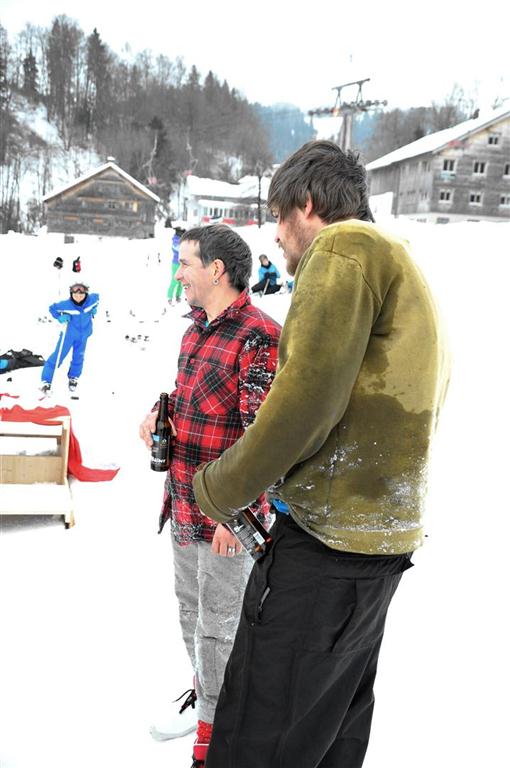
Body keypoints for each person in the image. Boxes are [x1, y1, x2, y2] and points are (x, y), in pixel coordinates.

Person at [192, 141, 449, 768]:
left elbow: (304, 402)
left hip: (324, 549)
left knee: (260, 733)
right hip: (376, 547)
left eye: (279, 217)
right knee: (327, 733)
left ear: (306, 204)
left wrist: (218, 488)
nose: (277, 237)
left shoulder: (342, 248)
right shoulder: (401, 262)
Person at [138, 224, 281, 768]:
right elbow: (191, 396)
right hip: (182, 499)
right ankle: (208, 700)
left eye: (186, 263)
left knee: (221, 627)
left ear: (216, 269)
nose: (179, 273)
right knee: (191, 613)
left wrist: (238, 514)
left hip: (226, 516)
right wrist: (159, 414)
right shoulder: (195, 329)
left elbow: (265, 437)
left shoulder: (259, 336)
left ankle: (216, 736)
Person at [40, 281, 99, 394]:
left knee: (78, 357)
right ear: (71, 294)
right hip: (68, 335)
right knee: (58, 356)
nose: (78, 297)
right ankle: (46, 381)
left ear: (86, 294)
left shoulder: (91, 300)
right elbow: (52, 308)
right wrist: (60, 317)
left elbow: (97, 298)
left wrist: (94, 309)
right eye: (75, 294)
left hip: (83, 335)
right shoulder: (65, 305)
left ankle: (73, 377)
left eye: (81, 294)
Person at [167, 226, 185, 305]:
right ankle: (169, 297)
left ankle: (178, 296)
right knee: (174, 280)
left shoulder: (183, 240)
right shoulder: (175, 240)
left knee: (182, 281)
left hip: (183, 263)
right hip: (176, 263)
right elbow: (178, 249)